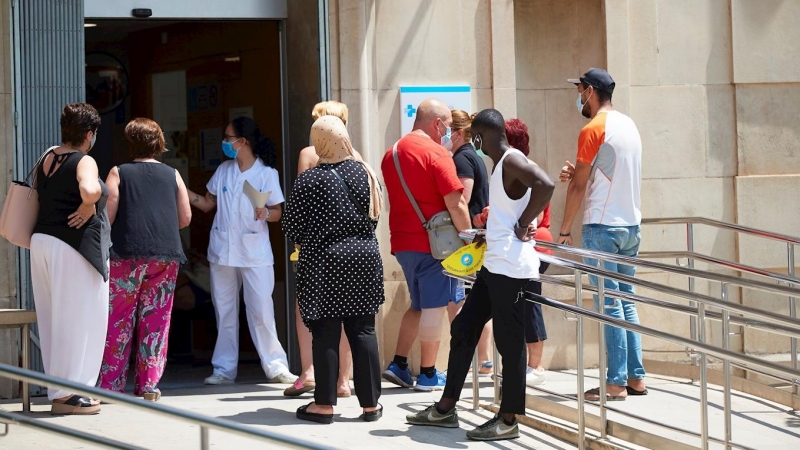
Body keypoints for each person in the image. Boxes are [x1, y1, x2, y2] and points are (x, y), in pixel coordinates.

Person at [406, 109, 554, 441]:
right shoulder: (502, 164)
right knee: (463, 326)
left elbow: (545, 184)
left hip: (513, 270)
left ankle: (508, 418)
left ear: (481, 137)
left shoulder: (511, 160)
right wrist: (501, 225)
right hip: (495, 264)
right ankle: (446, 407)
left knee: (510, 341)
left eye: (475, 136)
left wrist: (521, 223)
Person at [283, 116, 384, 424]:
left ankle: (324, 405)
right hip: (364, 258)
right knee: (363, 329)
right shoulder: (366, 173)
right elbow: (376, 215)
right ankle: (371, 406)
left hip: (324, 262)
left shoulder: (310, 179)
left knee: (325, 331)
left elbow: (290, 226)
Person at [187, 117, 296, 385]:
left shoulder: (266, 173)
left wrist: (266, 211)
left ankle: (276, 366)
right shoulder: (224, 170)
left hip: (254, 251)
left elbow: (278, 212)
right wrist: (179, 188)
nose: (224, 142)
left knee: (260, 309)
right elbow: (206, 204)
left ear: (242, 141)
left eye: (228, 137)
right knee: (224, 311)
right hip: (223, 250)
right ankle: (223, 369)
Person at [558, 68, 645, 401]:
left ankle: (615, 382)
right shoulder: (629, 125)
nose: (578, 95)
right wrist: (579, 172)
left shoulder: (593, 127)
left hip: (602, 226)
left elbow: (579, 185)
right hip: (630, 225)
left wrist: (565, 230)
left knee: (609, 305)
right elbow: (603, 170)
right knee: (626, 300)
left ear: (590, 91)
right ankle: (635, 377)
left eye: (579, 89)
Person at [380, 99, 471, 392]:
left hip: (403, 242)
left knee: (418, 305)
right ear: (438, 124)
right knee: (434, 307)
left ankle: (399, 364)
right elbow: (455, 203)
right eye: (446, 126)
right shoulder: (436, 153)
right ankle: (429, 373)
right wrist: (469, 237)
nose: (447, 132)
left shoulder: (390, 153)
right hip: (436, 245)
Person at [98, 118, 192, 401]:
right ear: (159, 142)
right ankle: (149, 383)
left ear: (130, 142)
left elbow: (108, 216)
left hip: (126, 255)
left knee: (118, 320)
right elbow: (185, 218)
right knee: (157, 320)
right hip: (165, 255)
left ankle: (110, 385)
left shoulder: (119, 172)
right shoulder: (173, 174)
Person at [30, 103, 110, 415]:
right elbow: (89, 190)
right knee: (83, 318)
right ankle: (73, 393)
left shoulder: (48, 156)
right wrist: (90, 203)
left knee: (54, 319)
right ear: (89, 134)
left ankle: (60, 390)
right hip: (74, 246)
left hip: (43, 241)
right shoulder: (84, 160)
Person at [285, 101, 359, 398]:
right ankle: (343, 380)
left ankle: (309, 372)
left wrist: (298, 244)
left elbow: (300, 206)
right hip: (351, 248)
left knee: (306, 308)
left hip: (314, 248)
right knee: (348, 313)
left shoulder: (309, 154)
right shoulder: (357, 157)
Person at [505, 118, 553, 387]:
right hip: (532, 245)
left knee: (529, 304)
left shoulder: (523, 170)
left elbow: (529, 214)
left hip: (534, 246)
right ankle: (528, 364)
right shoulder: (523, 168)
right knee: (524, 304)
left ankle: (536, 365)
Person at [447, 110, 493, 376]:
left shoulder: (463, 158)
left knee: (465, 301)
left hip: (468, 240)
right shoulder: (472, 156)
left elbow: (460, 199)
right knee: (476, 299)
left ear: (457, 132)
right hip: (476, 238)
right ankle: (483, 359)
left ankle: (479, 359)